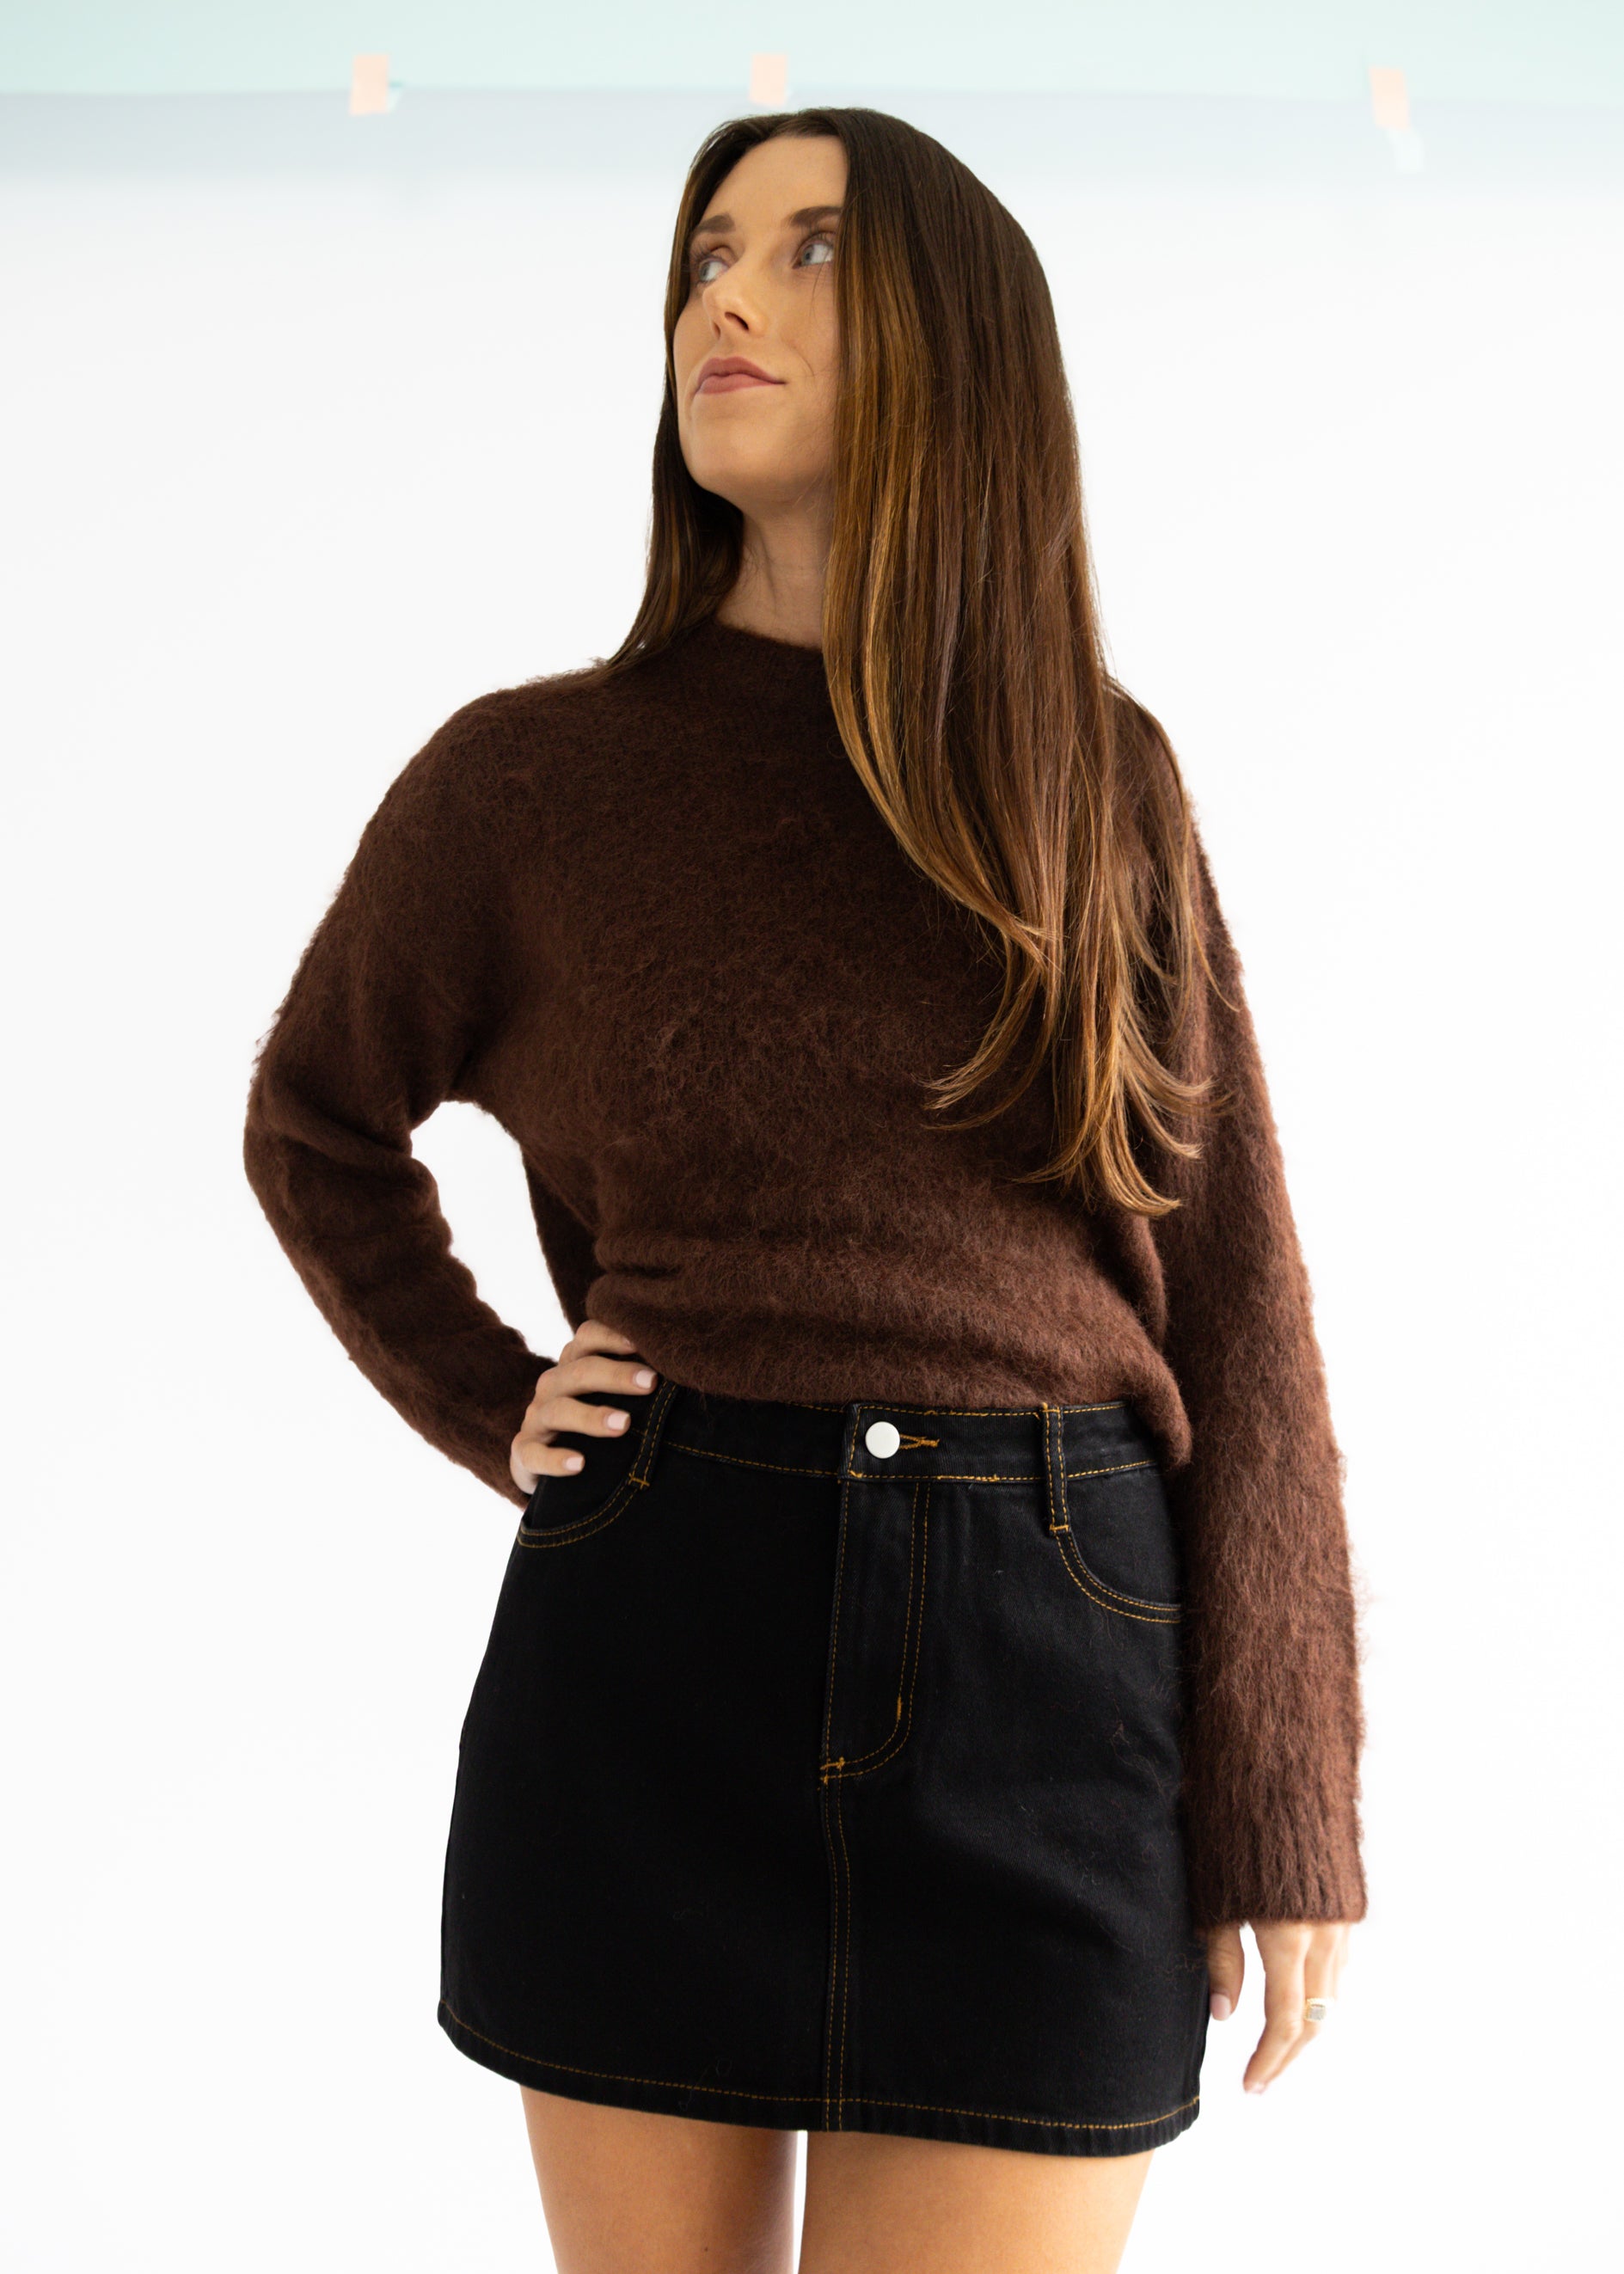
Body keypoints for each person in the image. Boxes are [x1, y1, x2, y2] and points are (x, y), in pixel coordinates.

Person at [242, 105, 1364, 2274]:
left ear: (960, 337)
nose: (725, 301)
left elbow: (1233, 1297)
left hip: (1051, 1664)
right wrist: (493, 1398)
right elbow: (316, 1119)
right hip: (657, 1642)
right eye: (707, 255)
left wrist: (1286, 1788)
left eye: (811, 251)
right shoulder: (531, 781)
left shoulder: (1091, 778)